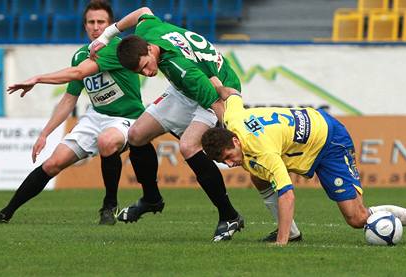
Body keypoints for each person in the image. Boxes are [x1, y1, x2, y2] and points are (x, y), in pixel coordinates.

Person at [89, 6, 302, 242]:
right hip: (186, 91)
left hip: (217, 90)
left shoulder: (183, 70)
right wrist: (107, 34)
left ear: (150, 49)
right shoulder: (148, 31)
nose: (148, 73)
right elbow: (143, 11)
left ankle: (228, 215)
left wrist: (234, 136)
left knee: (190, 147)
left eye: (146, 65)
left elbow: (217, 104)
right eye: (141, 71)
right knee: (137, 134)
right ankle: (151, 198)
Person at [201, 86, 406, 246]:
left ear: (235, 140)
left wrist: (281, 242)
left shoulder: (262, 150)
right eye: (224, 162)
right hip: (304, 135)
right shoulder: (232, 119)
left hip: (329, 141)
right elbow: (231, 93)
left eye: (229, 155)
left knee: (356, 217)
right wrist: (210, 79)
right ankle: (295, 232)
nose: (231, 163)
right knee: (259, 176)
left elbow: (287, 194)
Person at [0, 0, 161, 226]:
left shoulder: (116, 48)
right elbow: (68, 98)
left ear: (110, 25)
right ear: (85, 26)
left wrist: (37, 78)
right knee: (53, 163)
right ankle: (6, 212)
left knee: (106, 141)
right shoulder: (81, 53)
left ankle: (109, 205)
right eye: (91, 22)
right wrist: (45, 133)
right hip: (96, 116)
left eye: (101, 22)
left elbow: (77, 73)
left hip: (128, 118)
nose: (96, 27)